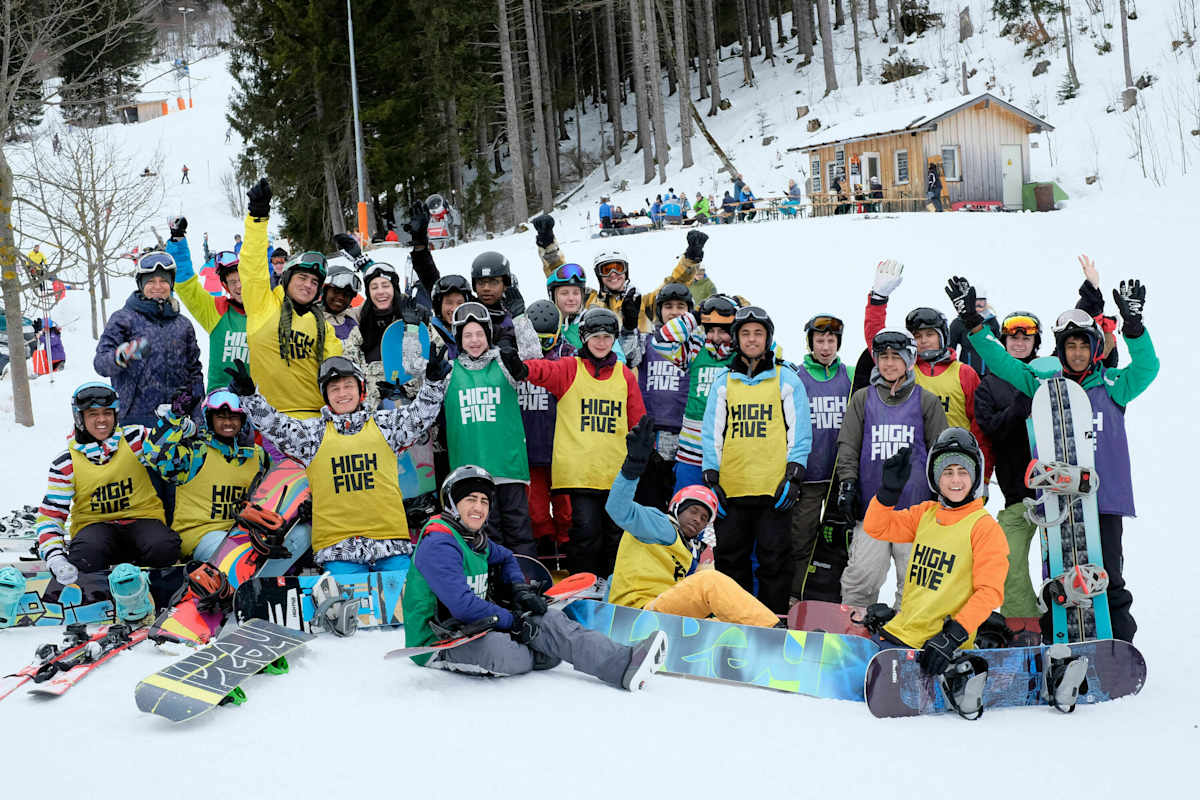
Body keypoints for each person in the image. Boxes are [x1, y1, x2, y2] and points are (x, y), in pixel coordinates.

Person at [952, 271, 1158, 643]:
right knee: (1061, 577)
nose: (1077, 353)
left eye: (1083, 346)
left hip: (1105, 500)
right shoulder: (1043, 386)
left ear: (1094, 349)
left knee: (1107, 572)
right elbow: (1002, 364)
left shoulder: (1114, 387)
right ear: (1060, 350)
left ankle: (1119, 643)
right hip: (1059, 501)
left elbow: (1147, 369)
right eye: (1070, 347)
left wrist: (1134, 326)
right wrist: (974, 325)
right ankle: (1058, 640)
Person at [401, 465, 668, 690]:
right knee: (507, 654)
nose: (479, 507)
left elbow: (506, 557)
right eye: (470, 499)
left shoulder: (475, 539)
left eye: (484, 501)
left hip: (477, 624)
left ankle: (624, 663)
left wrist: (519, 590)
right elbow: (462, 605)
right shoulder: (439, 542)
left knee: (551, 620)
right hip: (440, 639)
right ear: (452, 503)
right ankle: (542, 645)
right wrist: (513, 621)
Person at [229, 350, 450, 583]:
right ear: (326, 396)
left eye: (348, 386)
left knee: (406, 614)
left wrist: (434, 383)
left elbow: (419, 416)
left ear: (361, 389)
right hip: (339, 551)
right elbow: (275, 425)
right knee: (351, 618)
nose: (342, 393)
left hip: (391, 545)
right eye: (334, 389)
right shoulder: (312, 436)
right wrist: (250, 397)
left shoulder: (385, 426)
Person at [505, 307, 645, 578]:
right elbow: (545, 371)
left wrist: (642, 448)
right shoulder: (571, 368)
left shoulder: (624, 375)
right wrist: (523, 369)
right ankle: (584, 587)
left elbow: (636, 417)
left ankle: (615, 588)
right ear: (584, 338)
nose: (601, 342)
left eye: (607, 336)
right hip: (579, 475)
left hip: (614, 474)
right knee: (585, 532)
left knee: (616, 535)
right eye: (595, 336)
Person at [859, 429, 1008, 677]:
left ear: (975, 476)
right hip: (902, 632)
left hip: (938, 645)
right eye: (947, 472)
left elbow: (989, 592)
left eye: (963, 472)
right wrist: (887, 492)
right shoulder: (926, 514)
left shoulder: (984, 527)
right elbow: (877, 527)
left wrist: (952, 637)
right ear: (935, 477)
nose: (956, 481)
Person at [607, 418, 780, 626]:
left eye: (704, 518)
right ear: (677, 508)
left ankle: (760, 647)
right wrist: (632, 468)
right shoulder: (658, 524)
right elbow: (618, 508)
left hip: (665, 616)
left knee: (721, 618)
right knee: (710, 581)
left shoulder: (691, 553)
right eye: (693, 511)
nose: (698, 519)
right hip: (637, 614)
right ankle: (777, 633)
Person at [701, 306, 811, 613]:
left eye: (758, 334)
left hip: (773, 490)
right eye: (745, 334)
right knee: (730, 558)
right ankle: (736, 618)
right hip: (732, 490)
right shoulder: (724, 381)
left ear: (768, 338)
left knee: (774, 558)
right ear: (737, 338)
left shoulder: (785, 378)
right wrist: (711, 477)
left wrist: (793, 476)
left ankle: (772, 620)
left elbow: (800, 430)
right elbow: (712, 432)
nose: (752, 340)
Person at [835, 330, 948, 608]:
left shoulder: (927, 401)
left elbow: (941, 454)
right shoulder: (863, 399)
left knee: (914, 586)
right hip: (873, 511)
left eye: (896, 357)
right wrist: (847, 485)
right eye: (883, 357)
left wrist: (944, 499)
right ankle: (853, 634)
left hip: (915, 513)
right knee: (861, 577)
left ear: (910, 361)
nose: (888, 363)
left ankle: (909, 638)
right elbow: (848, 446)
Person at [35, 382, 181, 585]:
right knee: (86, 554)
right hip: (95, 527)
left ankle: (153, 586)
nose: (102, 419)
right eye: (93, 414)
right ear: (80, 418)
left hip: (143, 520)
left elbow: (167, 448)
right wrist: (55, 557)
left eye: (107, 413)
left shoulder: (134, 439)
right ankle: (97, 590)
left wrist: (175, 423)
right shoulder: (66, 462)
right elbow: (51, 516)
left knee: (164, 546)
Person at [238, 179, 343, 459]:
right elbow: (251, 264)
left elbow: (338, 373)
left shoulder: (324, 328)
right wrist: (258, 218)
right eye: (302, 277)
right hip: (270, 422)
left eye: (314, 282)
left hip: (317, 425)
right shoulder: (263, 303)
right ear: (287, 278)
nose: (308, 285)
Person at [862, 259, 987, 474]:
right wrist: (878, 300)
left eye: (930, 334)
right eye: (917, 336)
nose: (924, 341)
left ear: (943, 336)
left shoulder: (964, 373)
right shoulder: (904, 370)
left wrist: (982, 473)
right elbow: (877, 340)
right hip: (913, 463)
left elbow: (979, 426)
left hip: (955, 465)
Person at [442, 302, 535, 556]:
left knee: (519, 531)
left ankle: (528, 582)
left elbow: (533, 357)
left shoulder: (504, 364)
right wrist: (410, 329)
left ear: (488, 336)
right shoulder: (449, 371)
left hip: (508, 467)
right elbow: (413, 370)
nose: (474, 340)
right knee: (486, 536)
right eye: (467, 335)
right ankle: (496, 588)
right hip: (471, 474)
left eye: (479, 334)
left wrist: (521, 318)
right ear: (459, 339)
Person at [972, 311, 1042, 621]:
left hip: (1058, 492)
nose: (1019, 342)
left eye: (1026, 338)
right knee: (1008, 560)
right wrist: (1018, 408)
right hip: (1018, 493)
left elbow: (1091, 360)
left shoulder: (1049, 374)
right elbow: (990, 429)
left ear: (1035, 342)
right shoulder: (989, 386)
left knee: (1062, 565)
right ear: (1003, 342)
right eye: (1013, 337)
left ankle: (1065, 622)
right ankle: (1022, 623)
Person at [146, 389, 268, 559]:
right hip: (199, 535)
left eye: (233, 417)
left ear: (243, 420)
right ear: (210, 420)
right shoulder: (195, 453)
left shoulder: (258, 455)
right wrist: (173, 417)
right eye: (221, 417)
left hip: (243, 533)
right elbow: (155, 455)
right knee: (235, 553)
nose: (227, 423)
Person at [532, 213, 705, 334]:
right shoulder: (588, 300)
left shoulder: (641, 303)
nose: (613, 274)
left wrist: (690, 259)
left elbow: (674, 288)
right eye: (607, 270)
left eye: (618, 268)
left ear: (626, 271)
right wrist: (548, 243)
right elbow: (562, 279)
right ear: (599, 275)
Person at [94, 250, 204, 427]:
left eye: (163, 281)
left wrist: (197, 415)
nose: (158, 287)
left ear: (171, 284)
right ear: (141, 284)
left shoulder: (183, 325)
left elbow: (195, 372)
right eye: (151, 281)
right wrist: (121, 355)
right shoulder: (124, 319)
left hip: (178, 419)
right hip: (134, 420)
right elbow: (100, 364)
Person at [788, 315, 854, 601]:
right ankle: (797, 596)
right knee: (802, 539)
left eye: (831, 341)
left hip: (841, 478)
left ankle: (836, 598)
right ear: (810, 343)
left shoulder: (850, 375)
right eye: (820, 341)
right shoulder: (797, 377)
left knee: (842, 544)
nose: (826, 347)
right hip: (810, 478)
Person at [653, 293, 739, 492]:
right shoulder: (696, 349)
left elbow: (772, 350)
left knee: (720, 517)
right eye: (711, 330)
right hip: (690, 453)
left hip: (727, 455)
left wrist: (741, 316)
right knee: (685, 510)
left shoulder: (742, 355)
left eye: (723, 331)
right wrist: (696, 316)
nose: (716, 338)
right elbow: (661, 341)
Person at [622, 282, 692, 511]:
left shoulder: (696, 346)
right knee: (648, 504)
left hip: (686, 438)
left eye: (680, 306)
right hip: (650, 436)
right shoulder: (646, 340)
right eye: (668, 306)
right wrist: (629, 326)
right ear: (658, 311)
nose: (674, 311)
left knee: (680, 505)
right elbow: (627, 357)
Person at [165, 218, 248, 393]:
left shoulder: (266, 310)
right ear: (225, 286)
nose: (238, 286)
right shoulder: (217, 310)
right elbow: (187, 285)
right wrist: (178, 239)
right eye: (233, 282)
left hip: (261, 401)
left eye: (242, 280)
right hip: (221, 399)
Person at [519, 301, 575, 558]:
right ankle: (544, 546)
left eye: (547, 340)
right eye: (536, 340)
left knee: (566, 507)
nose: (541, 347)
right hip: (529, 448)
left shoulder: (569, 357)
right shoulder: (518, 359)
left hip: (561, 450)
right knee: (537, 509)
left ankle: (566, 543)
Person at [947, 286, 999, 376]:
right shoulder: (958, 323)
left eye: (982, 302)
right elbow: (950, 349)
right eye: (975, 301)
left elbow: (999, 346)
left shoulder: (992, 321)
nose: (978, 305)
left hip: (989, 375)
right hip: (967, 375)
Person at [321, 265, 362, 341]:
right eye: (336, 291)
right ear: (325, 291)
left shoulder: (354, 315)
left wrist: (366, 266)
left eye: (347, 294)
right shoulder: (313, 317)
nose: (341, 297)